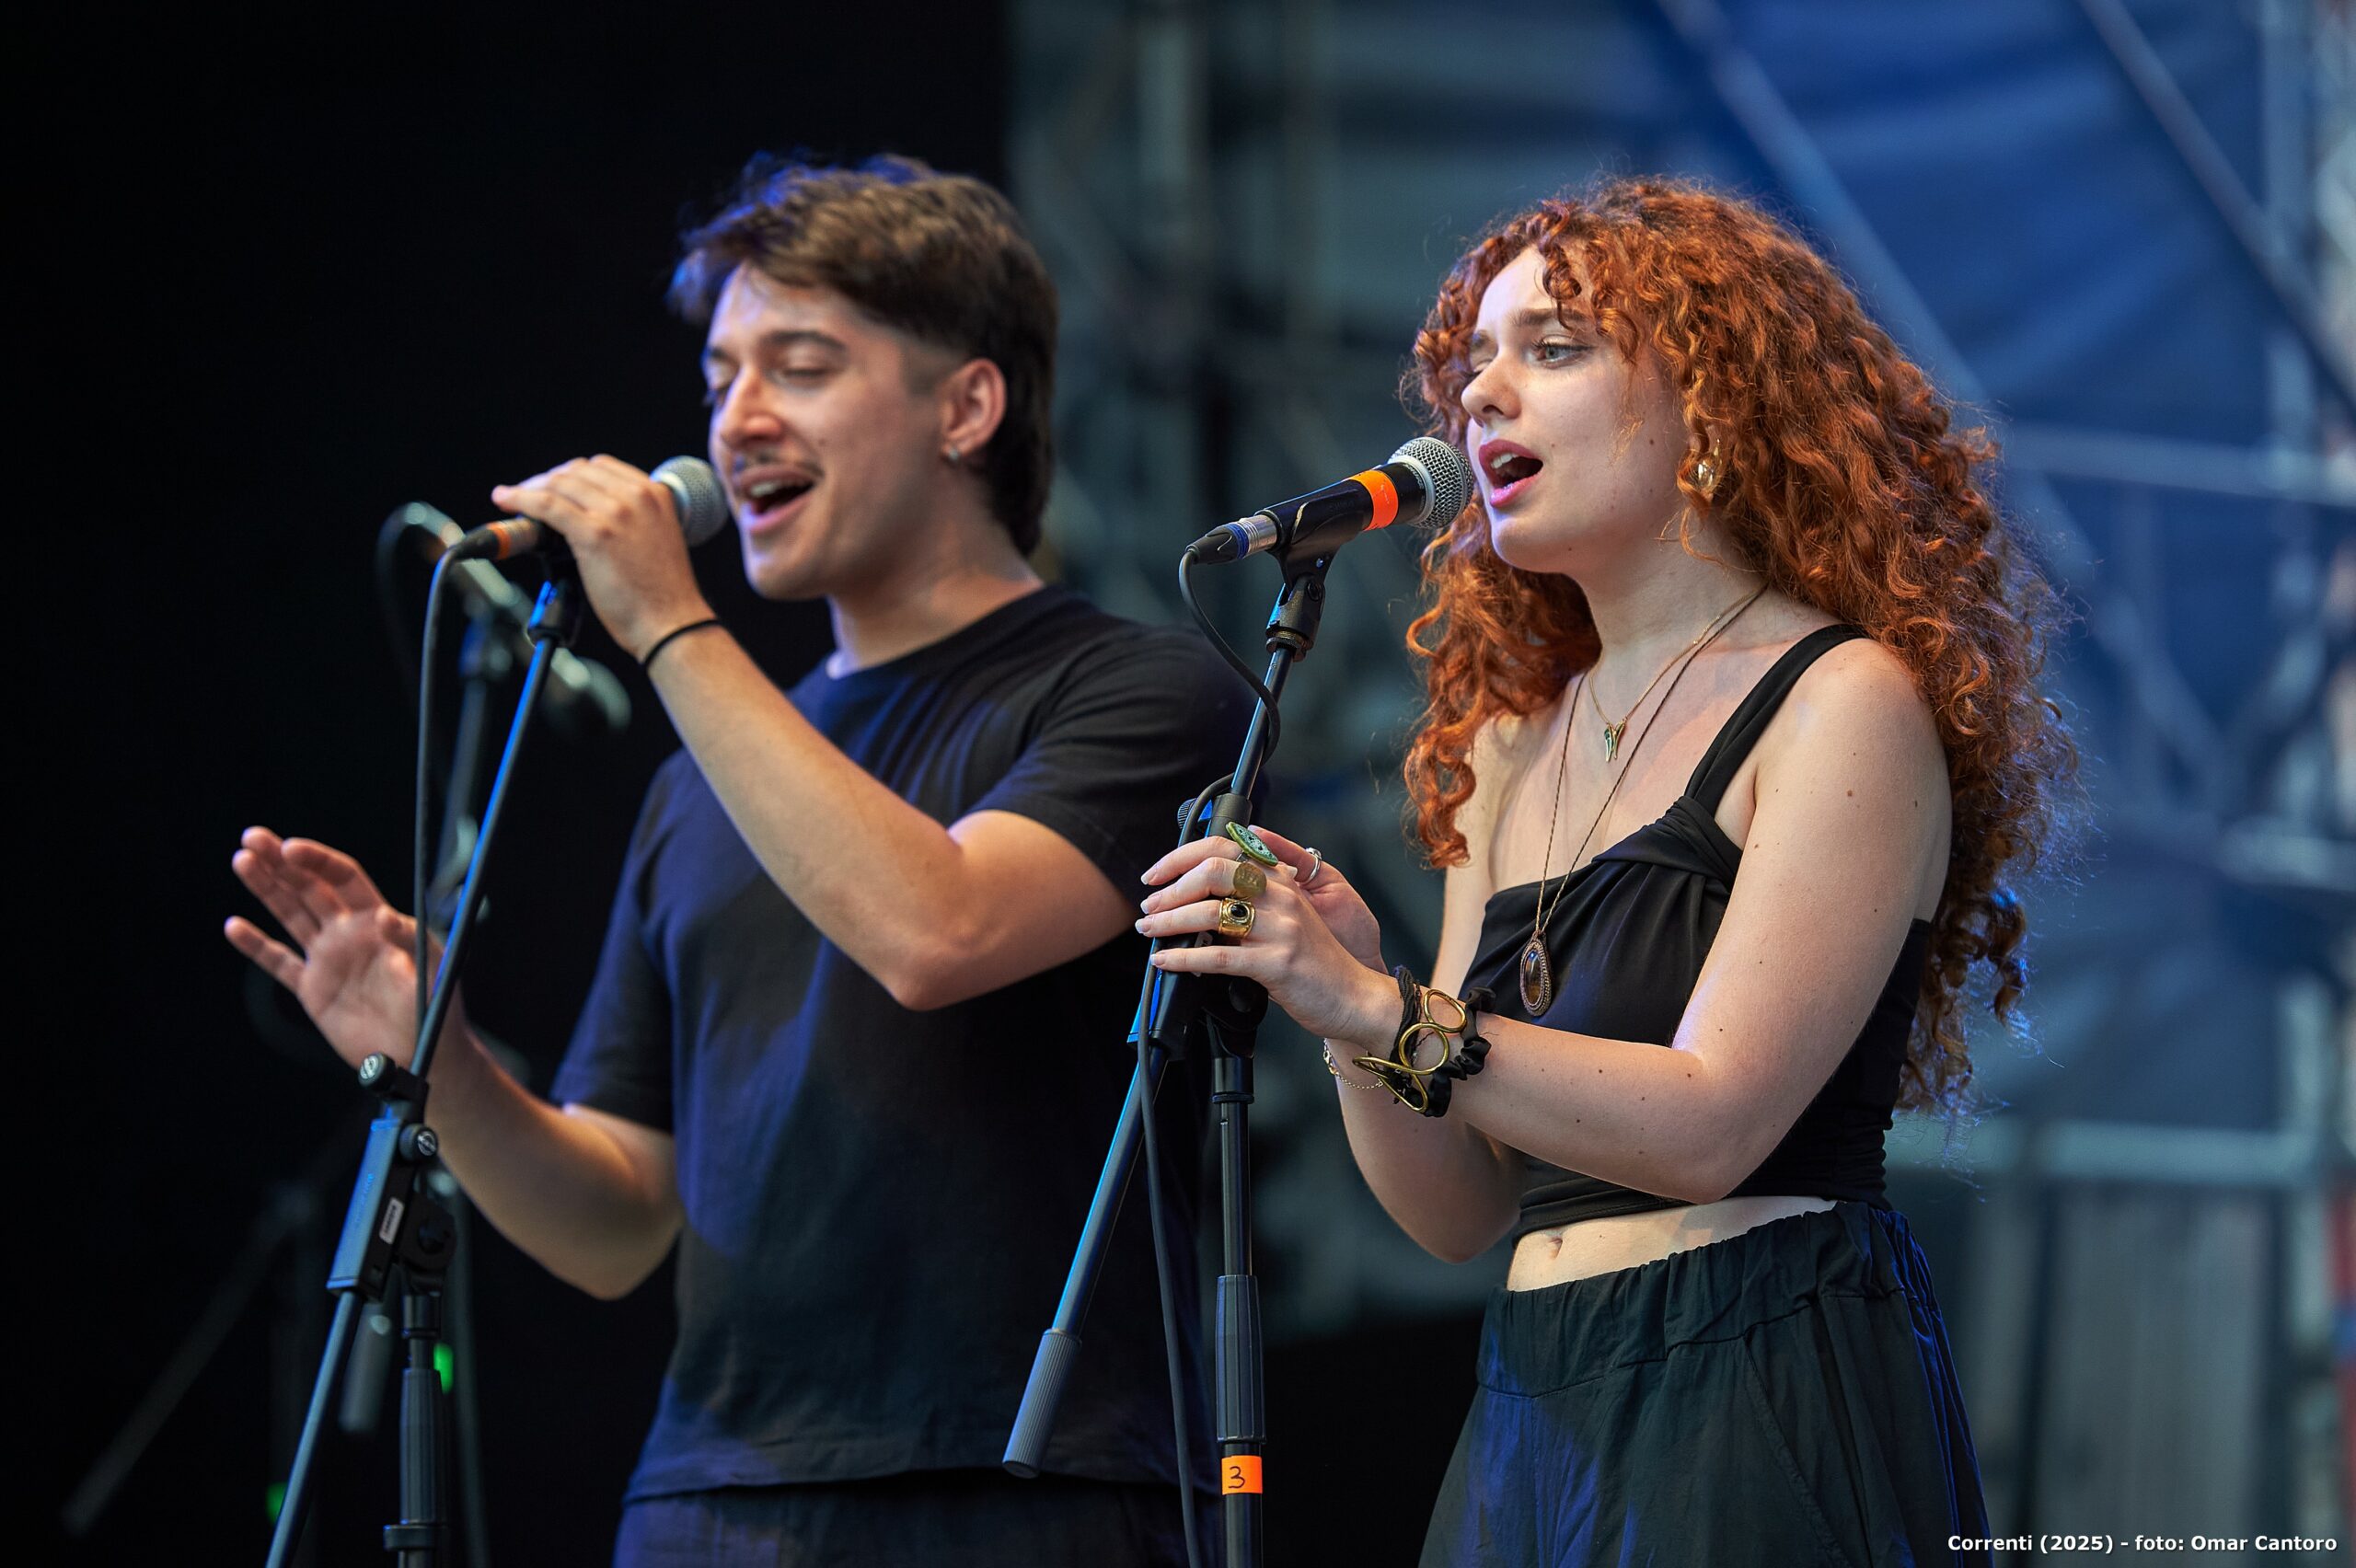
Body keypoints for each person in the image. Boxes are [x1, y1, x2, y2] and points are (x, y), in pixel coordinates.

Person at [227, 156, 1242, 1566]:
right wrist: (440, 1062)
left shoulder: (1140, 691)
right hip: (711, 1499)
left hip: (1027, 1478)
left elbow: (937, 930)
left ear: (967, 408)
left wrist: (665, 624)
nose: (737, 419)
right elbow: (614, 1225)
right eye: (720, 378)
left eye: (802, 367)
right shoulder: (697, 784)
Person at [1139, 177, 2075, 1564]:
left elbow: (1711, 1125)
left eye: (1555, 348)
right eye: (1474, 365)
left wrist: (1380, 1009)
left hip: (1760, 1365)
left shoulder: (1841, 703)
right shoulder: (1509, 740)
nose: (1482, 396)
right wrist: (1345, 1006)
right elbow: (1459, 1212)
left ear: (1714, 408)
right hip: (1536, 1393)